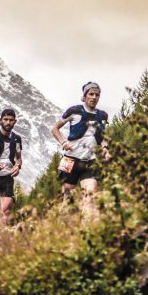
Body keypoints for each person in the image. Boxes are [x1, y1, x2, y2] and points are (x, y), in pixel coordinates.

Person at [50, 82, 109, 213]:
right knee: (67, 197)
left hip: (91, 161)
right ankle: (65, 227)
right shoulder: (74, 111)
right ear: (85, 95)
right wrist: (63, 142)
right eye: (91, 94)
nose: (94, 97)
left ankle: (87, 228)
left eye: (97, 95)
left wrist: (106, 149)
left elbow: (103, 137)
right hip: (70, 160)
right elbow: (55, 129)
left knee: (90, 194)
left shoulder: (103, 116)